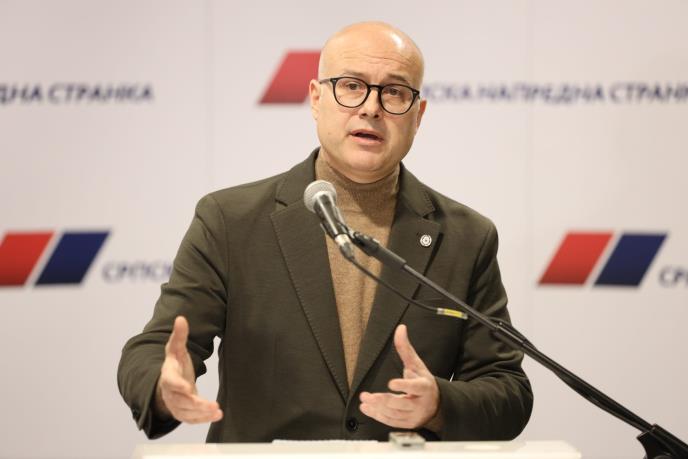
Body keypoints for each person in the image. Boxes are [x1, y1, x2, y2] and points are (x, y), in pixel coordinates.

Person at [118, 21, 533, 442]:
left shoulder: (466, 238)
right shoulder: (230, 221)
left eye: (394, 92)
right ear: (316, 99)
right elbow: (154, 348)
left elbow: (507, 389)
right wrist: (163, 386)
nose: (371, 108)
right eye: (351, 86)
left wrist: (440, 405)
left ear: (418, 114)